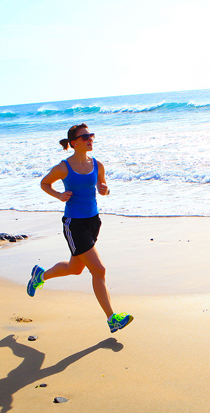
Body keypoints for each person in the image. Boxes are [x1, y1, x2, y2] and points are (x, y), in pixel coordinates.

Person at [27, 123, 133, 333]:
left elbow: (103, 189)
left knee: (74, 269)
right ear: (74, 143)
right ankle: (112, 318)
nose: (90, 139)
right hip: (74, 224)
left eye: (91, 135)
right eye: (85, 137)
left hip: (93, 222)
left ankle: (40, 276)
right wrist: (59, 195)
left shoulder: (97, 165)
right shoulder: (63, 167)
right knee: (99, 270)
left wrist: (105, 190)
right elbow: (44, 183)